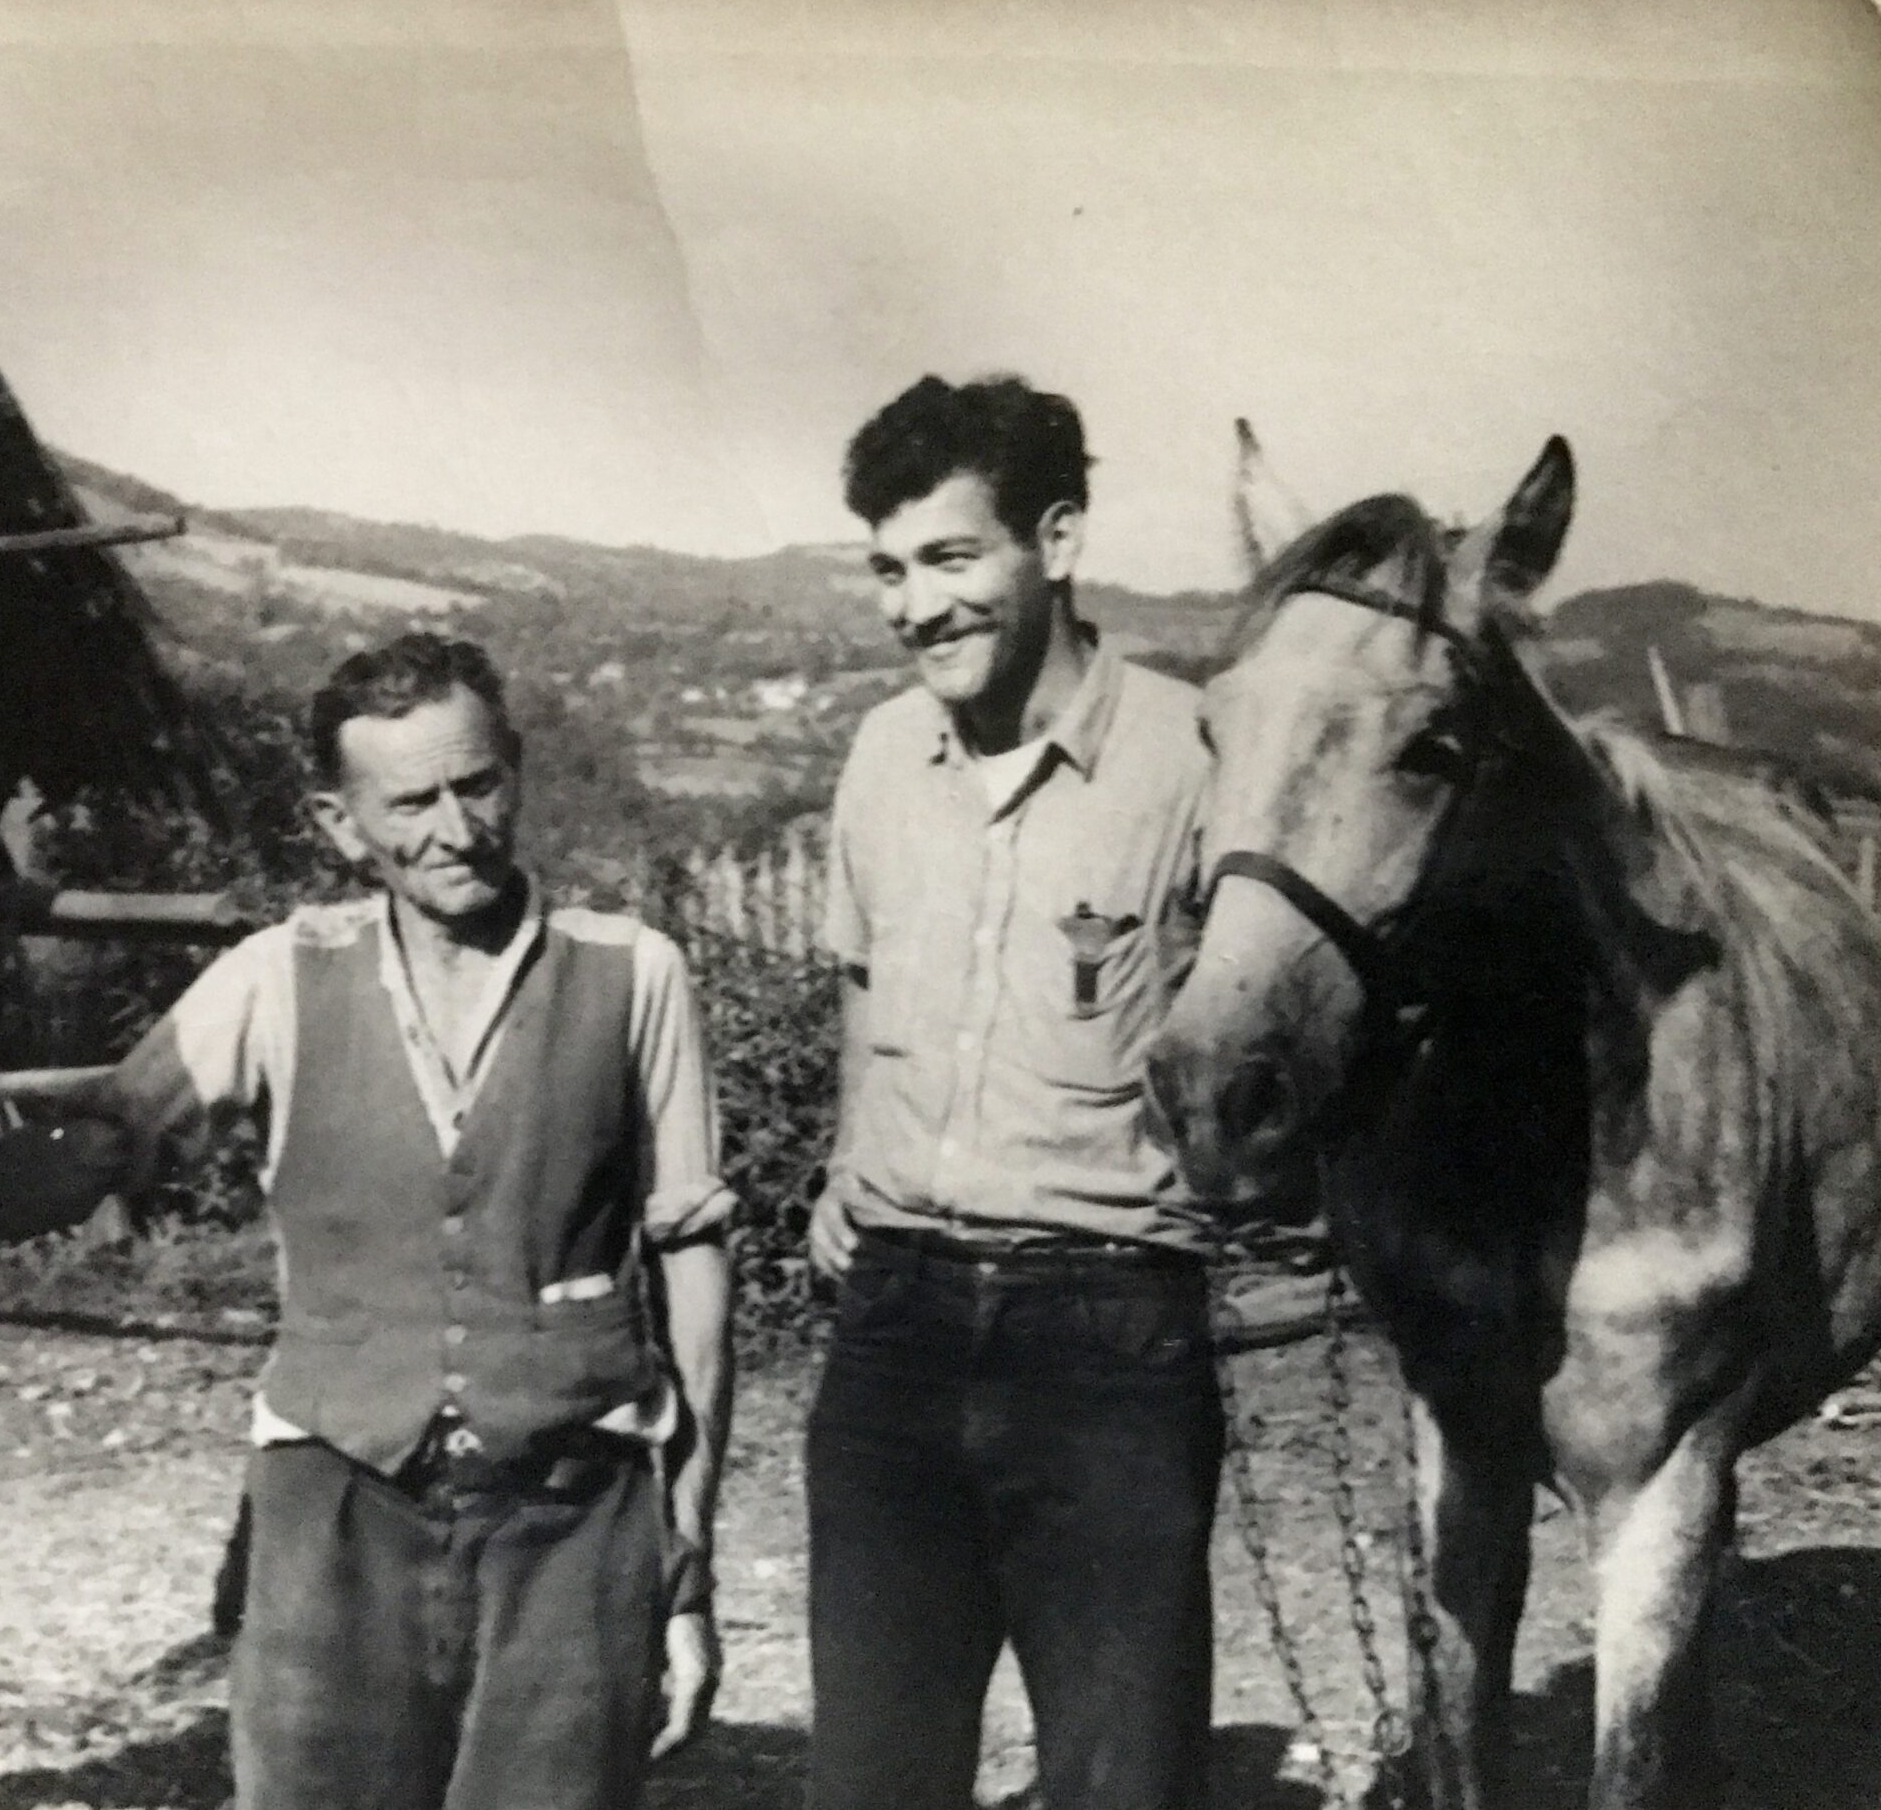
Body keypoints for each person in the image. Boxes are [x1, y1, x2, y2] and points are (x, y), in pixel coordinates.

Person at [73, 631, 735, 1810]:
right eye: (411, 801)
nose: (457, 828)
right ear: (340, 823)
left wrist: (686, 1561)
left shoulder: (634, 974)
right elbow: (101, 1140)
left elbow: (694, 1271)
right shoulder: (280, 974)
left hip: (570, 1515)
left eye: (477, 784)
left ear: (516, 770)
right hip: (333, 1519)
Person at [805, 375, 1222, 1810]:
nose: (914, 606)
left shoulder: (1198, 756)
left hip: (1106, 1329)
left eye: (950, 556)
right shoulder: (879, 758)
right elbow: (863, 986)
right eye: (888, 568)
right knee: (871, 1777)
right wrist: (849, 1172)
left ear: (1056, 539)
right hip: (894, 1326)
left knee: (1119, 1781)